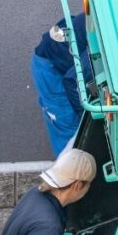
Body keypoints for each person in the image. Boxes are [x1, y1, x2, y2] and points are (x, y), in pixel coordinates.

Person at [31, 14, 94, 155]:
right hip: (50, 68)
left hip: (60, 52)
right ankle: (68, 174)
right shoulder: (106, 43)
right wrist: (86, 120)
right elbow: (72, 81)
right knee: (71, 129)